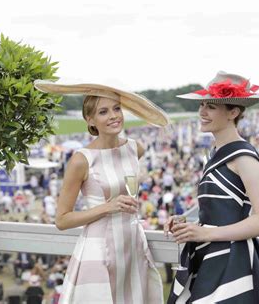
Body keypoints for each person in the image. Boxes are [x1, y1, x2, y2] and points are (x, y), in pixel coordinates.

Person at [35, 81, 169, 303]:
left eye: (117, 108)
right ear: (91, 120)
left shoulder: (135, 148)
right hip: (98, 253)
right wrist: (108, 206)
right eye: (103, 112)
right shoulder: (81, 160)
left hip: (133, 247)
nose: (114, 116)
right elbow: (62, 220)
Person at [165, 71, 259, 303]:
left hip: (232, 264)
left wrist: (206, 233)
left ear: (233, 112)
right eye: (202, 105)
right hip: (214, 258)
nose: (202, 112)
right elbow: (224, 213)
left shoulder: (243, 157)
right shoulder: (217, 153)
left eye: (211, 106)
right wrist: (192, 227)